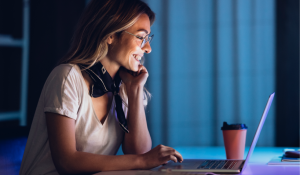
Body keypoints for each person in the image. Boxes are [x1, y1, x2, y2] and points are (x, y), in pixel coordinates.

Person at [20, 0, 183, 174]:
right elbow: (66, 162)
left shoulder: (125, 85)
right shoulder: (67, 77)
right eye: (141, 37)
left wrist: (135, 90)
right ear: (110, 35)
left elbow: (138, 152)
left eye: (148, 39)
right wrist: (143, 160)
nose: (148, 48)